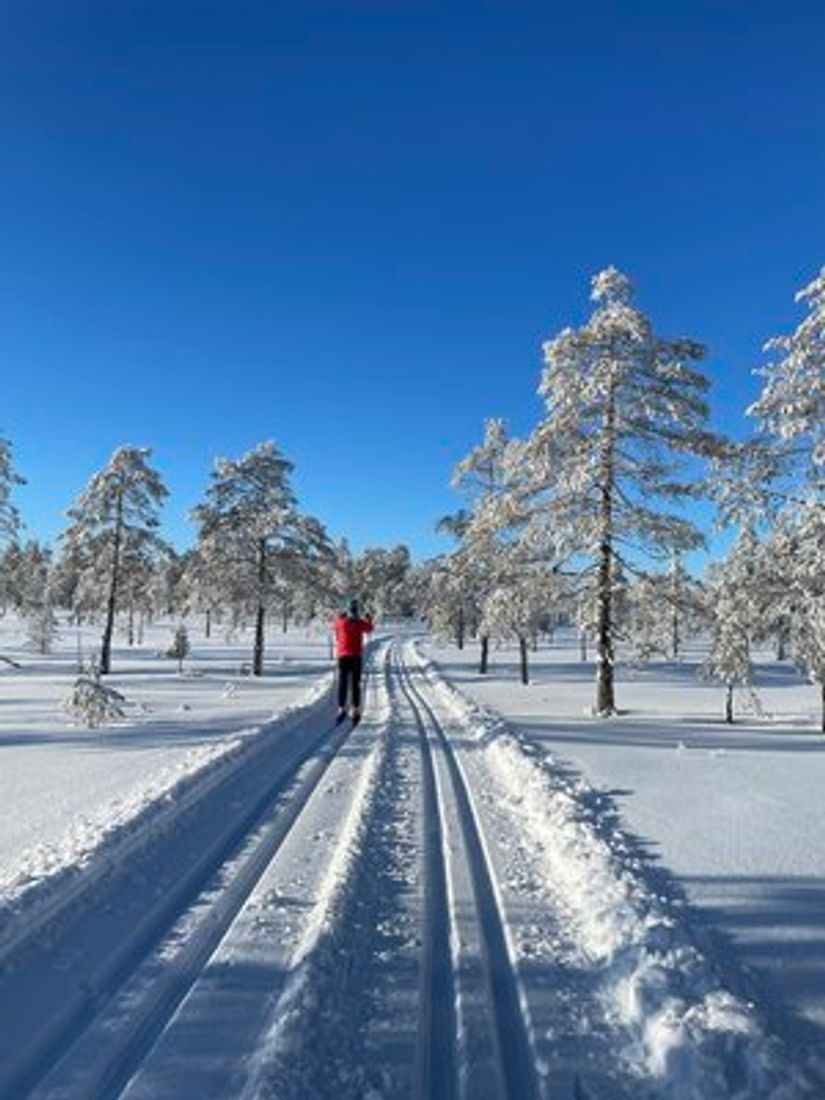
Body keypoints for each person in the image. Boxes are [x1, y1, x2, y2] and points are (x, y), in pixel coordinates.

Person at [332, 599, 373, 724]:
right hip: (354, 656)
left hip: (344, 656)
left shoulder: (340, 621)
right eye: (354, 610)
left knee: (345, 683)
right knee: (354, 683)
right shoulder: (359, 623)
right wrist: (369, 619)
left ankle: (344, 708)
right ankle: (353, 709)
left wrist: (341, 616)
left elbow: (336, 631)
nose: (354, 612)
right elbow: (369, 629)